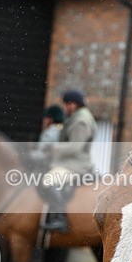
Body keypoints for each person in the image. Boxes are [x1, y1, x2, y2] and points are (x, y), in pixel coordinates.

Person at [39, 89, 97, 232]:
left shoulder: (81, 120)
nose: (65, 108)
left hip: (77, 164)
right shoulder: (77, 117)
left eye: (66, 104)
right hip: (71, 162)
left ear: (73, 104)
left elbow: (74, 147)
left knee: (48, 180)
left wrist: (52, 147)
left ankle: (60, 219)